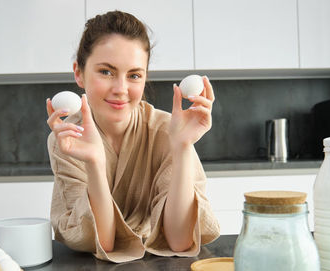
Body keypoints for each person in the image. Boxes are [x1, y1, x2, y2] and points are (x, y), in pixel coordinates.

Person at [45, 10, 219, 263]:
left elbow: (181, 241)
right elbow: (102, 242)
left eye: (134, 75)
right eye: (106, 72)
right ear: (79, 73)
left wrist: (181, 147)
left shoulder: (167, 131)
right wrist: (94, 160)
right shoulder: (69, 138)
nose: (120, 89)